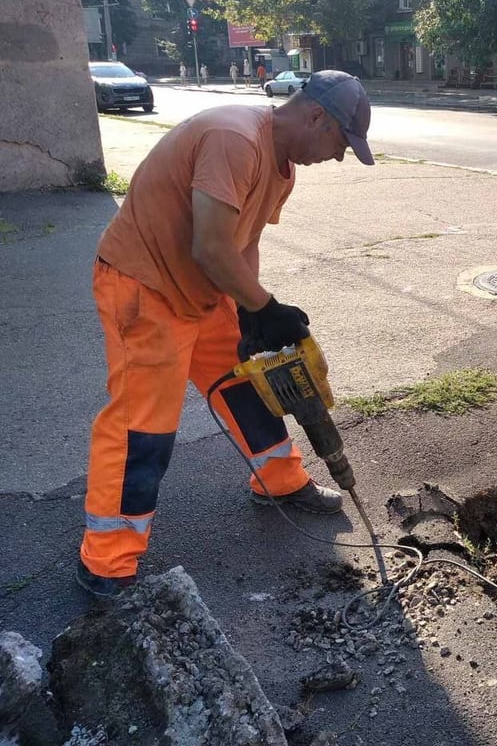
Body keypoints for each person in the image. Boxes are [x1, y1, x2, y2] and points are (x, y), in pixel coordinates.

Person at [77, 71, 376, 599]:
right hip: (146, 286)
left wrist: (251, 311)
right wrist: (268, 308)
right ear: (315, 117)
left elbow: (243, 242)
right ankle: (107, 561)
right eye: (339, 143)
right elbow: (212, 247)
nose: (338, 157)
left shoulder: (281, 170)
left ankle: (279, 481)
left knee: (251, 382)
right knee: (142, 428)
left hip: (206, 291)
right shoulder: (234, 138)